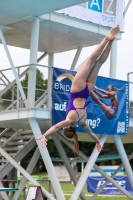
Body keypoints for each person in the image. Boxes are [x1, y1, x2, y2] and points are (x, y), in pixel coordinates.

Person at [36, 25, 120, 156]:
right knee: (92, 61)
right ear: (67, 127)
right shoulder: (69, 120)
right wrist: (44, 135)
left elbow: (91, 133)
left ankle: (112, 40)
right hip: (78, 89)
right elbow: (56, 127)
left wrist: (98, 142)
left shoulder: (82, 122)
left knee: (99, 64)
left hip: (87, 90)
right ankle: (107, 38)